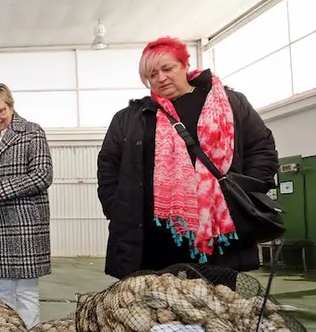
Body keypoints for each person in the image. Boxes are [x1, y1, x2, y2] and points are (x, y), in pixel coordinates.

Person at [97, 37, 279, 280]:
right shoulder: (129, 117)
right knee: (155, 310)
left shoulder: (229, 103)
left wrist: (243, 195)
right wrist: (118, 209)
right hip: (151, 239)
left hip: (218, 234)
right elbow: (108, 167)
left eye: (167, 68)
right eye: (152, 74)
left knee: (215, 308)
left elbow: (262, 148)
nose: (160, 78)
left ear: (184, 65)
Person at [0, 83, 53, 328]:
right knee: (2, 292)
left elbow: (43, 175)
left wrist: (1, 190)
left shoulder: (32, 132)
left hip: (25, 224)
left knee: (26, 292)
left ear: (11, 106)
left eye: (0, 111)